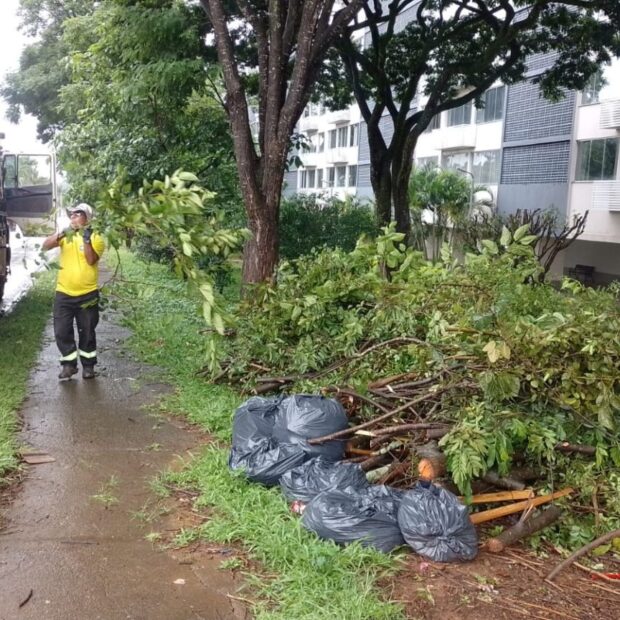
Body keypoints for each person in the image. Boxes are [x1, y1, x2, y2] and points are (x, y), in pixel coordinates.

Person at [42, 203, 105, 380]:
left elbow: (91, 260)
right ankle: (69, 365)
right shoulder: (65, 236)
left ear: (87, 218)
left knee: (87, 331)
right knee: (62, 331)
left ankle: (88, 366)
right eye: (72, 214)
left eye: (78, 214)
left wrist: (86, 239)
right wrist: (63, 233)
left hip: (88, 294)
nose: (73, 217)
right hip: (64, 293)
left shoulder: (96, 237)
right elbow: (45, 246)